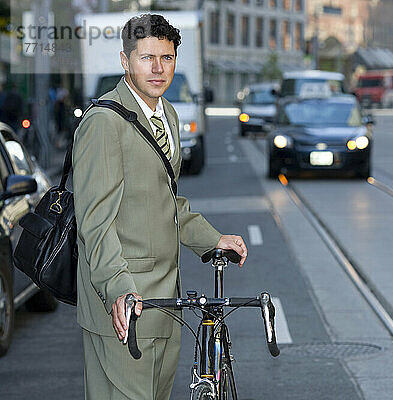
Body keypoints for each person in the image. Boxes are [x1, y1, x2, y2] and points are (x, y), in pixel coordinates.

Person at [72, 14, 248, 400]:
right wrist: (119, 290)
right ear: (125, 60)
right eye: (146, 57)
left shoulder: (166, 114)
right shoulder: (104, 123)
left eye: (166, 58)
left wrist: (212, 239)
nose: (157, 68)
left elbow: (168, 202)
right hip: (124, 308)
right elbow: (94, 222)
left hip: (166, 306)